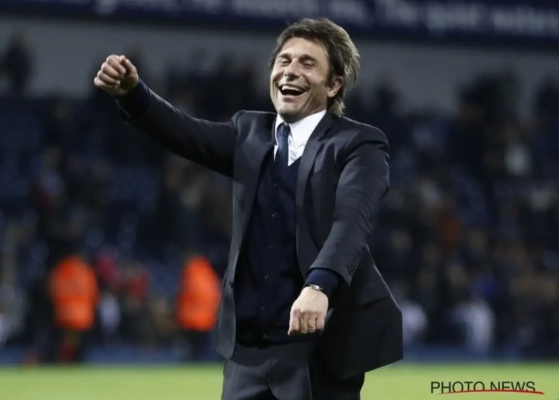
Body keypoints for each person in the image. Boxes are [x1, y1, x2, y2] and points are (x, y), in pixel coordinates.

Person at [94, 18, 402, 400]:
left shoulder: (359, 144)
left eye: (307, 63)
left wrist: (319, 285)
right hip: (246, 354)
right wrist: (133, 94)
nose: (290, 70)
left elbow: (352, 221)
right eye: (284, 60)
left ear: (334, 84)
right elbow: (187, 133)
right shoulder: (249, 133)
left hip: (318, 350)